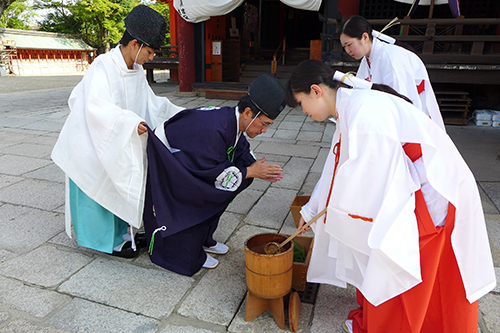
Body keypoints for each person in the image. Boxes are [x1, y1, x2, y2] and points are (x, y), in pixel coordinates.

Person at [285, 59, 495, 333]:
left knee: (399, 266)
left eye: (301, 103)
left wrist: (334, 215)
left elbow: (367, 183)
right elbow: (336, 164)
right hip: (415, 184)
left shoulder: (363, 114)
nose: (304, 111)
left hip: (433, 194)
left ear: (316, 91)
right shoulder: (350, 106)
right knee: (388, 260)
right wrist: (312, 212)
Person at [51, 5, 183, 258]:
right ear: (135, 44)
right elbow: (95, 107)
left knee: (123, 179)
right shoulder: (103, 66)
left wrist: (180, 114)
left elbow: (151, 103)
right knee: (99, 191)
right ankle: (105, 241)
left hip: (116, 140)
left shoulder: (136, 71)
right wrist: (130, 123)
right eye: (150, 51)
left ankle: (123, 235)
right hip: (90, 143)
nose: (152, 57)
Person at [144, 74, 285, 276]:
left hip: (191, 156)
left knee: (233, 182)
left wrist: (252, 166)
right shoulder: (213, 128)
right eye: (264, 124)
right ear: (248, 112)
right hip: (167, 160)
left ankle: (205, 239)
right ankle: (191, 254)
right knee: (200, 197)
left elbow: (240, 150)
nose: (264, 130)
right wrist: (250, 171)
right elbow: (210, 173)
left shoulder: (231, 120)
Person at [339, 15, 446, 131]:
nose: (347, 50)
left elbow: (401, 100)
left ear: (365, 37)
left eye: (349, 45)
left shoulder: (392, 58)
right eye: (344, 47)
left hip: (407, 119)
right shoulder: (367, 58)